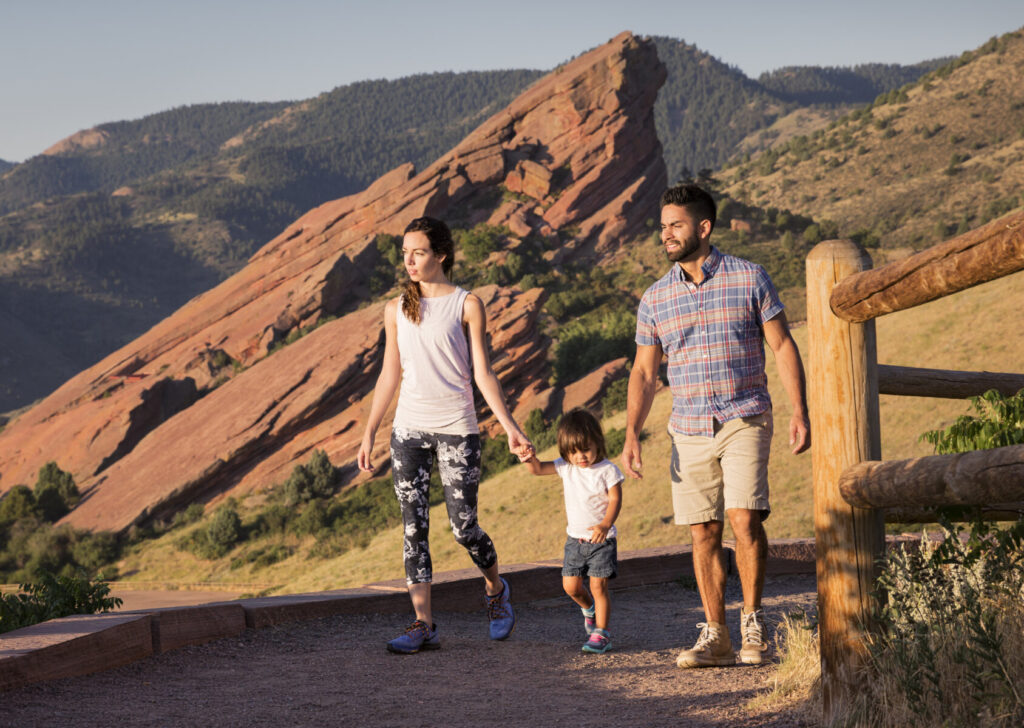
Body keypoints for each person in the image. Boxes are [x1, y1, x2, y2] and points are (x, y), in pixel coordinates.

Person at [621, 183, 810, 668]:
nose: (666, 234)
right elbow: (644, 372)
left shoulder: (750, 278)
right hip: (687, 427)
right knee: (703, 531)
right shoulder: (655, 298)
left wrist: (799, 410)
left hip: (745, 414)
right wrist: (630, 436)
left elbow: (783, 345)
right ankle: (716, 635)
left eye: (676, 225)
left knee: (744, 520)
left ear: (703, 228)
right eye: (663, 226)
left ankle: (752, 622)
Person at [357, 216, 533, 654]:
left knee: (463, 527)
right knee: (413, 528)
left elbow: (483, 373)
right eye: (404, 253)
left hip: (457, 428)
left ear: (441, 254)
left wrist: (510, 428)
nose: (409, 261)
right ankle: (423, 623)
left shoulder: (466, 304)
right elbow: (389, 374)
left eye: (417, 252)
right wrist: (369, 432)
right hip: (408, 432)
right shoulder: (396, 308)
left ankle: (495, 591)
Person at [519, 409, 623, 654]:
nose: (580, 457)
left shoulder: (608, 470)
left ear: (598, 442)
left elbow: (615, 499)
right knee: (571, 588)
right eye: (573, 452)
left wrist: (605, 524)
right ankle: (589, 610)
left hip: (602, 541)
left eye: (586, 449)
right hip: (574, 541)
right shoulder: (567, 467)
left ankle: (602, 633)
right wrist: (529, 458)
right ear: (565, 452)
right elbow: (537, 470)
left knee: (599, 587)